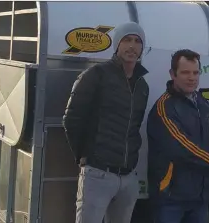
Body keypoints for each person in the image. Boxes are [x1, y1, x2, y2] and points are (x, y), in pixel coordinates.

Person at [147, 49, 209, 223]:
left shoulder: (202, 103)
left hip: (200, 196)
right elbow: (181, 147)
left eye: (195, 72)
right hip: (170, 197)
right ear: (173, 74)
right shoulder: (164, 107)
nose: (191, 77)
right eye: (185, 72)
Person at [62, 22, 149, 223]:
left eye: (137, 42)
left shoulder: (142, 86)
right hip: (97, 174)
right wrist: (85, 158)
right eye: (127, 40)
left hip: (128, 178)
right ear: (117, 44)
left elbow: (134, 127)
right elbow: (71, 119)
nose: (132, 46)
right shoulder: (96, 75)